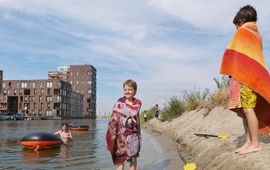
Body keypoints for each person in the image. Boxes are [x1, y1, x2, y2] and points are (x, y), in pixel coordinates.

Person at [220, 5, 270, 155]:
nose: (236, 29)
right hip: (251, 76)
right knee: (244, 111)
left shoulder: (243, 31)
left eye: (236, 25)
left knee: (248, 109)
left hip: (247, 78)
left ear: (242, 20)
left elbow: (234, 53)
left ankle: (255, 143)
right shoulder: (257, 34)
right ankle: (248, 142)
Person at [106, 79, 142, 170]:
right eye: (125, 89)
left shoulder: (138, 103)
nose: (127, 91)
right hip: (120, 137)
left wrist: (139, 134)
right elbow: (113, 119)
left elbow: (137, 118)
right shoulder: (120, 102)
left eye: (130, 89)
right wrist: (112, 135)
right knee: (120, 162)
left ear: (135, 91)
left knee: (133, 161)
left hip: (133, 137)